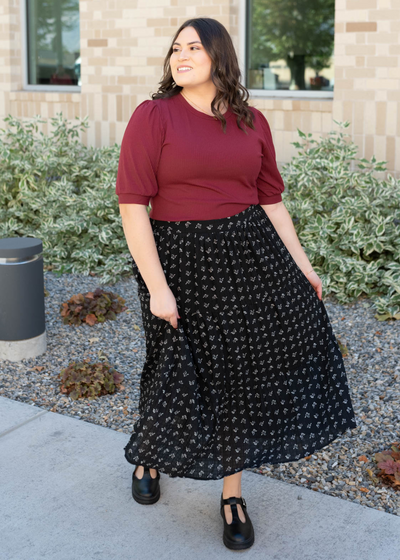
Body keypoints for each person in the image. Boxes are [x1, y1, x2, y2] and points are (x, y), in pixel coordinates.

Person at [115, 17, 357, 551]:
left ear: (219, 57)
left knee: (243, 373)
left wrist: (304, 266)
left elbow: (272, 201)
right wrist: (157, 287)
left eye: (194, 47)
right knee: (174, 365)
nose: (180, 55)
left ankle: (232, 493)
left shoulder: (252, 122)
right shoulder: (153, 117)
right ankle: (149, 457)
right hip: (178, 258)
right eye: (176, 48)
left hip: (250, 255)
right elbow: (133, 207)